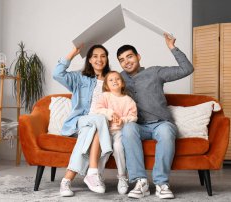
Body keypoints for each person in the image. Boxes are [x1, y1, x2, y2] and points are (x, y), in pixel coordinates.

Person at [116, 33, 194, 199]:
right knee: (128, 130)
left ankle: (161, 183)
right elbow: (101, 86)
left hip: (161, 123)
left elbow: (187, 69)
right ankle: (140, 182)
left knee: (166, 132)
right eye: (122, 60)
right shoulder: (119, 79)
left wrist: (172, 47)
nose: (126, 61)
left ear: (138, 57)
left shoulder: (155, 72)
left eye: (129, 56)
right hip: (137, 125)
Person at [53, 44, 113, 197]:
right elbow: (57, 74)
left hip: (99, 125)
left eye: (103, 56)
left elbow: (120, 99)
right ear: (89, 60)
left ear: (107, 59)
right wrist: (72, 53)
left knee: (95, 126)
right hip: (80, 121)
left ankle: (66, 180)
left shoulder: (112, 79)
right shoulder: (79, 77)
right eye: (95, 56)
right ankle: (94, 172)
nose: (99, 59)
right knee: (98, 120)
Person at [94, 71, 138, 195]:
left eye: (117, 79)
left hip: (120, 131)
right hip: (105, 131)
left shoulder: (128, 100)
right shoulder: (105, 96)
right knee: (104, 149)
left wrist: (122, 120)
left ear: (122, 83)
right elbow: (97, 110)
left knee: (118, 147)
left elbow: (133, 117)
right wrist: (110, 113)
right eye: (111, 80)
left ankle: (122, 177)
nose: (114, 81)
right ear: (107, 85)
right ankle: (98, 176)